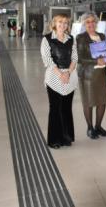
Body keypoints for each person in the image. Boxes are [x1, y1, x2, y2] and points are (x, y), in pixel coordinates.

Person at [40, 14, 78, 149]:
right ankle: (54, 139)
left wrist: (68, 73)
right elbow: (48, 60)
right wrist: (61, 74)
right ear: (54, 24)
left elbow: (74, 58)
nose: (63, 25)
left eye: (66, 23)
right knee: (55, 108)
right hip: (54, 77)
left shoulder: (71, 39)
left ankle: (66, 137)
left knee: (67, 108)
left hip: (70, 76)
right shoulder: (47, 39)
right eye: (60, 22)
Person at [76, 12, 106, 140]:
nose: (91, 24)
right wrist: (96, 61)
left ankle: (98, 127)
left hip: (101, 74)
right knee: (89, 102)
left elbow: (105, 53)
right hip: (88, 76)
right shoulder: (81, 37)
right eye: (88, 22)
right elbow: (80, 58)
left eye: (93, 21)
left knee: (102, 101)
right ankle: (90, 128)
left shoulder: (101, 36)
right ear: (84, 24)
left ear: (96, 23)